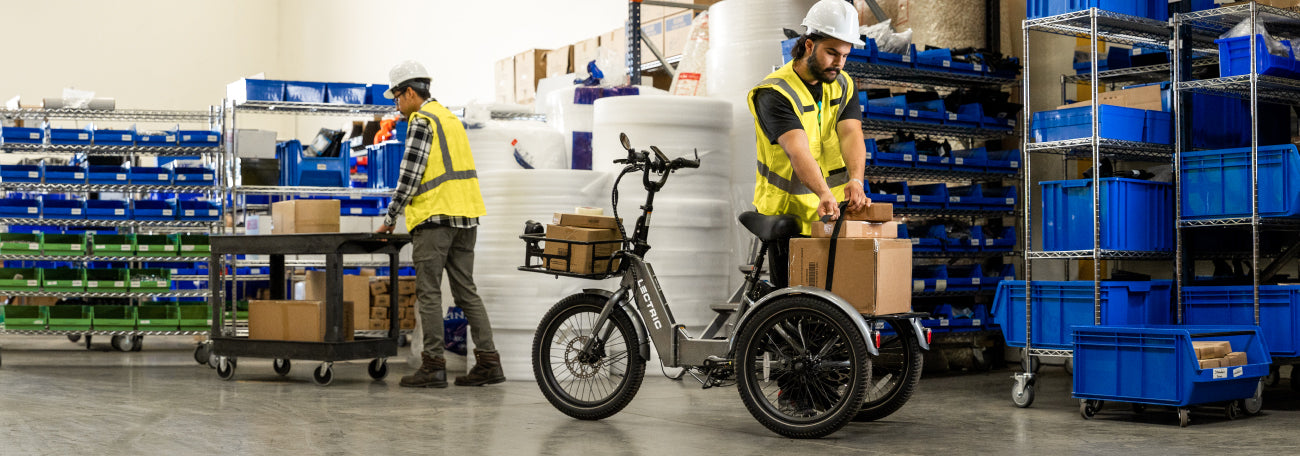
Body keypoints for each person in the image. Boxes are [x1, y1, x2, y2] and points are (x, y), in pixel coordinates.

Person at [375, 60, 505, 388]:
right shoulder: (450, 118)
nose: (397, 105)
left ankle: (433, 365)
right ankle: (489, 361)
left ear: (408, 92)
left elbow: (410, 176)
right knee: (466, 291)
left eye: (396, 98)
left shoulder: (422, 120)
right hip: (466, 216)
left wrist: (390, 218)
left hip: (435, 219)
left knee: (429, 292)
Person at [748, 0, 871, 289]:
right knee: (791, 308)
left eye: (844, 55)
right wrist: (823, 193)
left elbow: (851, 133)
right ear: (808, 45)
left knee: (831, 306)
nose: (839, 63)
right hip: (787, 214)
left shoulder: (843, 84)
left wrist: (856, 180)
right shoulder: (775, 92)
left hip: (830, 213)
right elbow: (797, 149)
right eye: (831, 53)